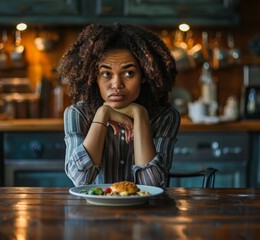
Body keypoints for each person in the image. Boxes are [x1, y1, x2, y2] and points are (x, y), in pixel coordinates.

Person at [57, 23, 180, 187]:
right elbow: (81, 179)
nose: (116, 84)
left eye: (129, 73)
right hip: (93, 211)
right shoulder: (77, 114)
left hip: (146, 211)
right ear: (94, 77)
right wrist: (102, 114)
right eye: (106, 74)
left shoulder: (165, 117)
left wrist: (140, 113)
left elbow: (151, 184)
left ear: (145, 75)